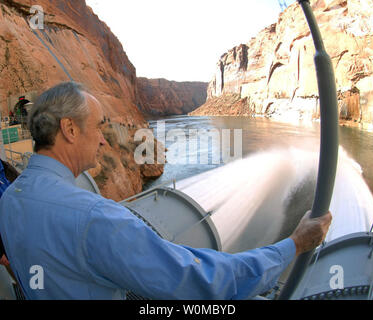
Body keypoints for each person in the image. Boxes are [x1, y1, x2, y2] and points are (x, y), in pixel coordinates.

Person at [0, 82, 332, 300]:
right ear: (69, 129)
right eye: (99, 125)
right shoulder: (96, 218)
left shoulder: (11, 200)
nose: (103, 139)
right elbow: (198, 280)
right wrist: (292, 245)